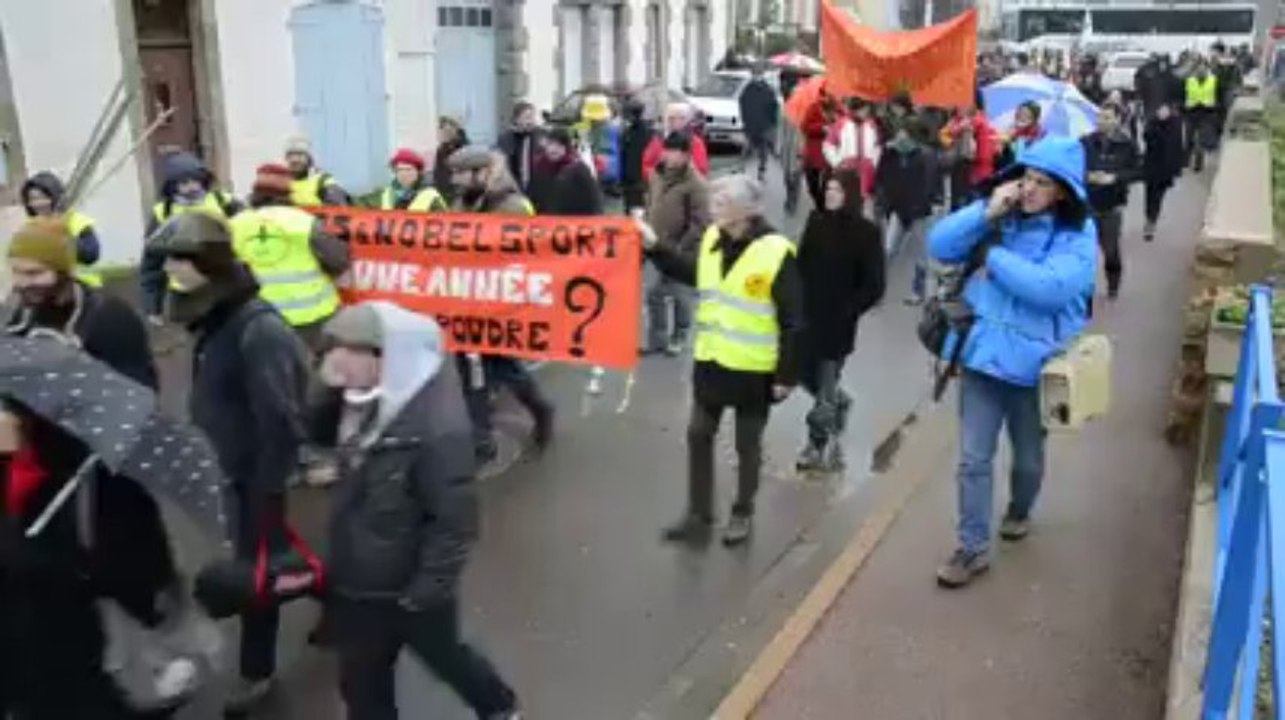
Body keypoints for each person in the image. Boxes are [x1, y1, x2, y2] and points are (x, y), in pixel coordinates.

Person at [310, 302, 521, 720]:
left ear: (389, 358)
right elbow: (314, 431)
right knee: (361, 685)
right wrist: (325, 392)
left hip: (410, 587)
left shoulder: (437, 428)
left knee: (447, 657)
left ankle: (498, 706)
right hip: (359, 581)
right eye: (335, 349)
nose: (339, 361)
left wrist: (427, 590)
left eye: (353, 351)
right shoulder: (356, 398)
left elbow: (454, 520)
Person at [149, 212, 308, 712]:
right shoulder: (218, 316)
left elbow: (282, 418)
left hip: (253, 478)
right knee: (273, 561)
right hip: (229, 470)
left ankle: (256, 671)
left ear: (209, 263)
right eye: (168, 258)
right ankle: (337, 595)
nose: (171, 268)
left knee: (254, 573)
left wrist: (267, 487)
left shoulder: (258, 329)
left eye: (181, 258)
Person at [927, 136, 1097, 589]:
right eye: (1025, 177)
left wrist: (993, 258)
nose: (1029, 189)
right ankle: (972, 547)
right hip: (982, 360)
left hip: (1035, 369)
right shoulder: (1001, 218)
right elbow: (940, 245)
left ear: (1062, 191)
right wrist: (985, 214)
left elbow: (1051, 289)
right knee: (972, 460)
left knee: (1027, 459)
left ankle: (1020, 509)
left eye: (1042, 182)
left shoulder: (1077, 235)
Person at [643, 175, 802, 547]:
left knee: (747, 446)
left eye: (722, 199)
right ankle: (699, 514)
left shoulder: (776, 251)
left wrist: (786, 375)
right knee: (698, 434)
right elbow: (694, 274)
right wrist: (654, 248)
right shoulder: (714, 237)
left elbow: (795, 319)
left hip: (753, 370)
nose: (713, 204)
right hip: (712, 362)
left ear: (746, 210)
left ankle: (742, 512)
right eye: (713, 197)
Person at [0, 402, 179, 719]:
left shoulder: (92, 488)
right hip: (87, 670)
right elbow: (148, 586)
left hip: (55, 675)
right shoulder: (110, 484)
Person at [449, 146, 553, 461]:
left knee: (501, 366)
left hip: (499, 302)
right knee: (469, 368)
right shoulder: (463, 203)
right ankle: (481, 439)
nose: (455, 180)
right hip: (465, 298)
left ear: (482, 173)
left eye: (461, 173)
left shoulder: (514, 207)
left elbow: (525, 255)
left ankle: (541, 409)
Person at [795, 169, 884, 472]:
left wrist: (850, 308)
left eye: (836, 189)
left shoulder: (866, 233)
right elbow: (801, 263)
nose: (830, 194)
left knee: (824, 384)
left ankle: (815, 444)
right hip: (807, 317)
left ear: (850, 194)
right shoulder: (816, 222)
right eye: (828, 188)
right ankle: (840, 401)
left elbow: (874, 284)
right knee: (804, 375)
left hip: (837, 324)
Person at [5, 218, 157, 388]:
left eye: (34, 273)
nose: (21, 283)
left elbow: (137, 394)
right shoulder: (22, 315)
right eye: (16, 272)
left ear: (64, 271)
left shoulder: (111, 318)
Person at [230, 163, 350, 352]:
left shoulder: (235, 225)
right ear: (287, 192)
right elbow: (338, 261)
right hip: (312, 321)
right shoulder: (304, 222)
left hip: (258, 319)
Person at [139, 151, 243, 323]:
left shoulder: (224, 202)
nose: (192, 187)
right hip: (185, 292)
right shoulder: (163, 212)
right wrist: (152, 306)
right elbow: (151, 263)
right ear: (173, 186)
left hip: (223, 285)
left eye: (196, 180)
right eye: (185, 182)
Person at [643, 131, 710, 356]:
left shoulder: (696, 184)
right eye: (667, 150)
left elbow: (701, 222)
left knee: (681, 296)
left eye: (675, 152)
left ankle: (679, 336)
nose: (669, 156)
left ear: (686, 155)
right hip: (655, 246)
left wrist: (681, 246)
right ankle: (657, 340)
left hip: (683, 252)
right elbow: (651, 204)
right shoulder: (656, 175)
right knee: (654, 295)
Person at [874, 119, 939, 304]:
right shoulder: (891, 153)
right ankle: (877, 289)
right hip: (898, 210)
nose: (900, 137)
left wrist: (924, 205)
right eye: (898, 133)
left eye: (904, 133)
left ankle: (918, 292)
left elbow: (929, 185)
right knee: (888, 250)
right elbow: (883, 177)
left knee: (921, 254)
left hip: (920, 212)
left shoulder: (926, 156)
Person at [1082, 102, 1139, 299]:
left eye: (1107, 117)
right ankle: (1084, 290)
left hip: (1111, 206)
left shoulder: (1127, 144)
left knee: (1111, 250)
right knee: (1085, 252)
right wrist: (1087, 175)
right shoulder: (1086, 142)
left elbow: (1137, 171)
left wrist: (1114, 177)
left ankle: (1113, 285)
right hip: (1088, 205)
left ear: (1117, 120)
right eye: (1100, 117)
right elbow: (1075, 166)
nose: (1102, 122)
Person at [20, 171, 102, 287]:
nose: (38, 204)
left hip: (82, 288)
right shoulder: (29, 228)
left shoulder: (76, 221)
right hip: (47, 291)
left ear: (55, 196)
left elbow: (91, 255)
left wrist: (61, 239)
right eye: (32, 199)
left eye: (43, 198)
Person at [530, 127, 603, 216]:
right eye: (550, 144)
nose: (553, 149)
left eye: (559, 145)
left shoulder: (578, 168)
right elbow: (535, 197)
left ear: (566, 147)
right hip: (547, 221)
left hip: (574, 221)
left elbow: (594, 199)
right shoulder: (540, 167)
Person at [941, 98, 997, 210]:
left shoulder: (976, 122)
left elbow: (983, 155)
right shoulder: (955, 121)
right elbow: (943, 135)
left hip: (974, 172)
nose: (960, 106)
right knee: (959, 201)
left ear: (974, 105)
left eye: (965, 103)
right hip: (962, 169)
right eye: (959, 103)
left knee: (966, 205)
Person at [1142, 102, 1185, 242]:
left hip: (1166, 168)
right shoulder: (1152, 122)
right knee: (1150, 194)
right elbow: (1146, 137)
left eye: (1166, 109)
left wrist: (1177, 168)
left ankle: (1151, 220)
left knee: (1158, 196)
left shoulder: (1176, 123)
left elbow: (1178, 146)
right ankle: (1149, 218)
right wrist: (1156, 121)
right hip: (1151, 165)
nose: (1164, 111)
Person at [641, 103, 710, 181]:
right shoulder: (658, 139)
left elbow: (701, 170)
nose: (676, 121)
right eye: (671, 118)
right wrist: (658, 177)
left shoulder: (694, 142)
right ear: (665, 119)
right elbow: (646, 165)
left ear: (687, 120)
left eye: (681, 118)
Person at [284, 135, 350, 207]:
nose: (295, 160)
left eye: (300, 155)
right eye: (291, 155)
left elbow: (337, 209)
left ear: (309, 158)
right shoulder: (281, 182)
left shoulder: (323, 181)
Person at [738, 66, 780, 181]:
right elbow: (743, 104)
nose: (757, 76)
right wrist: (745, 120)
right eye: (755, 73)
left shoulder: (765, 89)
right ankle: (743, 168)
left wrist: (772, 122)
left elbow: (773, 106)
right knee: (749, 147)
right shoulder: (749, 89)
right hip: (754, 124)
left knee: (761, 149)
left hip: (762, 124)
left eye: (758, 73)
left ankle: (760, 170)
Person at [496, 101, 543, 194]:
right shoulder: (506, 138)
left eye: (533, 117)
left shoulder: (540, 135)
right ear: (517, 119)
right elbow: (505, 164)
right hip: (515, 187)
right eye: (527, 117)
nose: (531, 121)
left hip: (537, 188)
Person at [619, 98, 656, 213]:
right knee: (639, 212)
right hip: (639, 179)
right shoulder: (650, 132)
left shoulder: (628, 133)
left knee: (634, 212)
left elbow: (624, 155)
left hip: (635, 180)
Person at [380, 148, 447, 212]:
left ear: (418, 172)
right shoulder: (385, 194)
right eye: (400, 170)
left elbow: (445, 220)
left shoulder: (431, 196)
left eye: (408, 170)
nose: (404, 174)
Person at [1184, 60, 1218, 172]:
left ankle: (1199, 162)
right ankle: (1186, 159)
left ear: (1206, 69)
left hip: (1206, 113)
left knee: (1200, 140)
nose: (1201, 70)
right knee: (1188, 138)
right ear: (1195, 70)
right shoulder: (1189, 81)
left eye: (1203, 68)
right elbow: (1182, 95)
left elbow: (1219, 94)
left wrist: (1216, 107)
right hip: (1191, 112)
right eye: (1199, 68)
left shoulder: (1213, 80)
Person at [434, 116, 471, 205]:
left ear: (456, 129)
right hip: (443, 197)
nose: (443, 131)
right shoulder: (441, 150)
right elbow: (439, 174)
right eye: (441, 128)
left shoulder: (466, 148)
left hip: (461, 198)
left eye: (447, 128)